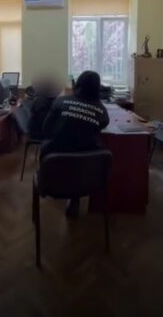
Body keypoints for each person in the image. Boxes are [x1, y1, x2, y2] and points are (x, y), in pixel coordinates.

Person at [40, 70, 110, 218]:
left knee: (48, 147)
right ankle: (75, 196)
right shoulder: (102, 111)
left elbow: (45, 130)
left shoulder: (60, 101)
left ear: (78, 84)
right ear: (98, 88)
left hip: (55, 160)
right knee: (81, 151)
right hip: (86, 170)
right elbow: (100, 127)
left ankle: (47, 184)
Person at [27, 76, 59, 141]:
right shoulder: (47, 102)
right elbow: (47, 123)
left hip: (35, 131)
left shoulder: (40, 99)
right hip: (40, 134)